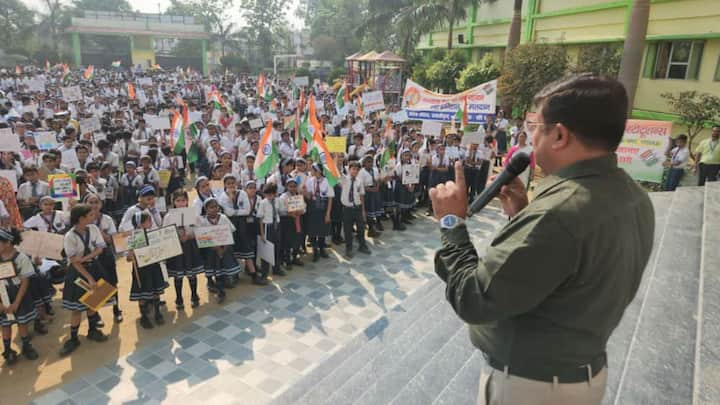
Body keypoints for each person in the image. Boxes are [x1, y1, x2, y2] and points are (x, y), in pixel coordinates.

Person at [430, 75, 655, 405]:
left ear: (560, 135)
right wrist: (523, 213)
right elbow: (566, 268)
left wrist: (451, 221)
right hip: (577, 375)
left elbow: (473, 298)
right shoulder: (632, 195)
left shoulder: (558, 215)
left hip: (529, 388)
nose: (530, 136)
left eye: (536, 126)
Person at [59, 204, 109, 356]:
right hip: (78, 273)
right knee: (76, 309)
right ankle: (73, 338)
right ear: (81, 219)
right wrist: (89, 278)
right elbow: (74, 261)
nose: (93, 216)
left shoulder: (93, 229)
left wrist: (86, 258)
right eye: (90, 215)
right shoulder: (70, 236)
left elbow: (100, 248)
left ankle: (92, 330)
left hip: (93, 267)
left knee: (93, 303)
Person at [0, 228, 40, 365]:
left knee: (22, 322)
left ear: (8, 243)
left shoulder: (21, 258)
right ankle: (8, 350)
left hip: (19, 294)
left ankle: (26, 347)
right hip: (1, 294)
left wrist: (16, 302)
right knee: (5, 325)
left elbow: (25, 281)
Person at [82, 193, 122, 322]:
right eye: (90, 202)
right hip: (89, 257)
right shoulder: (82, 220)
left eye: (96, 202)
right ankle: (96, 314)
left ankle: (116, 310)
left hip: (105, 254)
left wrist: (100, 232)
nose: (93, 205)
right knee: (94, 285)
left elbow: (114, 239)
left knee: (112, 282)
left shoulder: (107, 219)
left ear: (101, 204)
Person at [126, 211, 168, 329]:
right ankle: (144, 317)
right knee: (142, 294)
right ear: (140, 224)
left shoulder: (153, 234)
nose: (151, 222)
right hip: (141, 270)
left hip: (154, 266)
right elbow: (128, 258)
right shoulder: (134, 237)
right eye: (148, 220)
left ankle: (157, 312)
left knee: (155, 291)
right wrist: (133, 254)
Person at [163, 191, 204, 309]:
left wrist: (189, 235)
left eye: (183, 200)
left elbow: (200, 230)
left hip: (190, 246)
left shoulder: (193, 214)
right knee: (178, 275)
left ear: (187, 201)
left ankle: (194, 295)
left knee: (192, 274)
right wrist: (176, 236)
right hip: (176, 249)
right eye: (178, 201)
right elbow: (164, 232)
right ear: (173, 202)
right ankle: (179, 298)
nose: (181, 203)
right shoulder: (169, 216)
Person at [198, 198, 240, 303]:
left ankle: (221, 291)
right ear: (206, 209)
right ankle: (215, 286)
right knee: (214, 269)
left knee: (221, 270)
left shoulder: (223, 218)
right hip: (210, 252)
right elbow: (202, 238)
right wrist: (214, 247)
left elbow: (230, 232)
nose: (214, 209)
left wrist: (223, 248)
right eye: (211, 207)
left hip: (224, 249)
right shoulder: (203, 221)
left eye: (216, 206)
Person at [304, 163, 334, 261]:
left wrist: (328, 213)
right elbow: (308, 196)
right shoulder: (309, 181)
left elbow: (330, 199)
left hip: (323, 207)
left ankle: (322, 249)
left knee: (322, 230)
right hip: (312, 208)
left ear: (318, 171)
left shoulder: (327, 182)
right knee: (312, 230)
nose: (311, 172)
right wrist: (305, 192)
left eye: (313, 170)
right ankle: (315, 250)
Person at [341, 161, 370, 258]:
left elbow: (361, 195)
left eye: (357, 170)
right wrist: (336, 157)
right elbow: (336, 171)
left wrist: (363, 210)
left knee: (361, 228)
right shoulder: (344, 179)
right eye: (353, 169)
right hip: (347, 209)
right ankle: (348, 248)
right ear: (349, 170)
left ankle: (362, 245)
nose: (355, 171)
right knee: (347, 229)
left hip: (357, 208)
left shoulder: (359, 181)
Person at [257, 183, 284, 277]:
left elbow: (281, 211)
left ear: (275, 193)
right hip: (267, 226)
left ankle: (276, 268)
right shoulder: (263, 203)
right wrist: (262, 234)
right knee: (267, 250)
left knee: (277, 247)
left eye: (271, 194)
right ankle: (264, 272)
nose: (269, 196)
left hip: (277, 225)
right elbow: (260, 218)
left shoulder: (278, 201)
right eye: (267, 194)